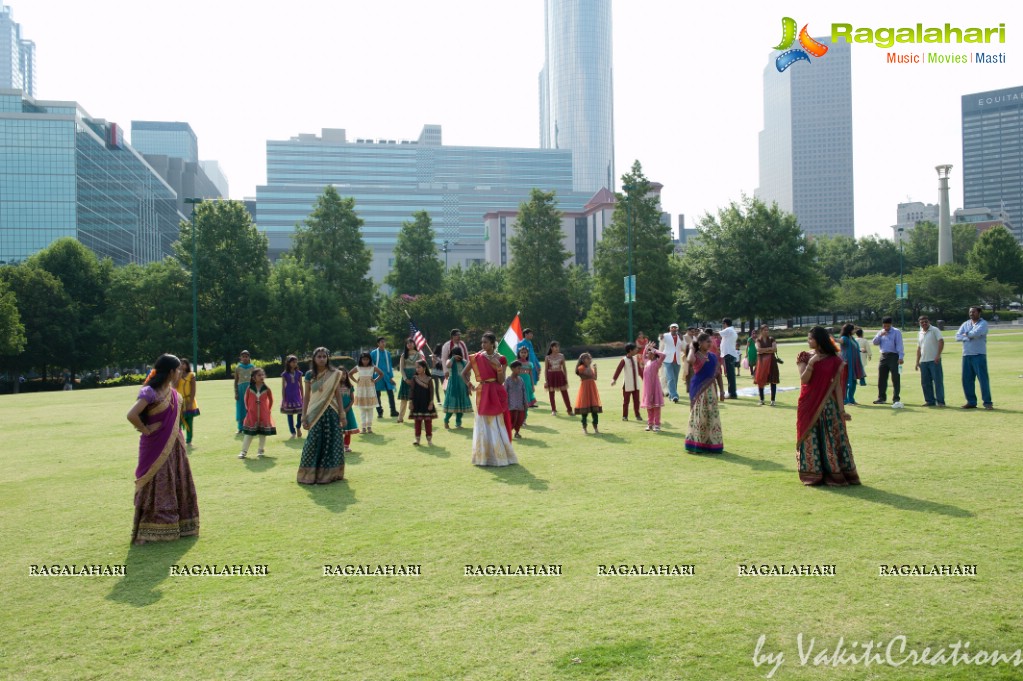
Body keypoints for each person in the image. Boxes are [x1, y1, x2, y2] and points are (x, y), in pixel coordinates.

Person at [125, 353, 200, 544]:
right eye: (178, 371)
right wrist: (145, 429)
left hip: (175, 446)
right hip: (155, 445)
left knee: (176, 480)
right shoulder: (150, 392)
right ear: (171, 372)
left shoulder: (173, 393)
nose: (180, 374)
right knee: (157, 482)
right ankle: (153, 529)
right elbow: (132, 414)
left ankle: (181, 525)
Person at [796, 327, 860, 486]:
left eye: (811, 339)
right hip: (808, 404)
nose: (808, 341)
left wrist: (842, 411)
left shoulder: (834, 360)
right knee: (810, 438)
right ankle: (813, 475)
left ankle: (834, 474)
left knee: (829, 438)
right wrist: (812, 362)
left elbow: (837, 387)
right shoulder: (804, 356)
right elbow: (804, 380)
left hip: (828, 406)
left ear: (820, 340)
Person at [463, 332, 518, 466]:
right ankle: (483, 458)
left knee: (496, 424)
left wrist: (499, 368)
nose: (483, 345)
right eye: (482, 342)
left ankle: (500, 457)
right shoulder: (478, 357)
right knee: (482, 424)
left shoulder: (501, 358)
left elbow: (501, 381)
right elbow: (463, 373)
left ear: (493, 343)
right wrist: (469, 384)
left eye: (485, 342)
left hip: (496, 391)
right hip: (482, 392)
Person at [297, 347, 346, 484]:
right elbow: (306, 396)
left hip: (332, 412)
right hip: (315, 412)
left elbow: (338, 395)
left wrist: (342, 414)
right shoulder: (308, 375)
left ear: (328, 358)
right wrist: (303, 415)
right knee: (313, 442)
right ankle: (309, 475)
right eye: (319, 356)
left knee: (333, 442)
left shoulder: (334, 374)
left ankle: (331, 474)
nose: (322, 359)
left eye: (324, 356)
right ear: (314, 358)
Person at [684, 333, 724, 454]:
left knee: (712, 416)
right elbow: (689, 360)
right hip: (699, 391)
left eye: (710, 342)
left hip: (711, 390)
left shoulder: (713, 356)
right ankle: (696, 444)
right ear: (700, 343)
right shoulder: (696, 355)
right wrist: (691, 347)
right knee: (699, 416)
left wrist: (722, 390)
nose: (710, 344)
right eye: (707, 342)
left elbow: (718, 374)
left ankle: (712, 444)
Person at [955, 306, 993, 409]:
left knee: (983, 379)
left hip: (979, 355)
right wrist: (968, 336)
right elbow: (957, 337)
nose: (971, 313)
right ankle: (971, 402)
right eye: (970, 312)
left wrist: (966, 334)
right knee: (966, 380)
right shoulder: (966, 323)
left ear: (979, 313)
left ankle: (987, 402)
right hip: (966, 355)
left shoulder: (983, 323)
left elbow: (976, 333)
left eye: (973, 312)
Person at [239, 368, 277, 459]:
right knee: (249, 434)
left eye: (262, 375)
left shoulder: (266, 388)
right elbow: (246, 400)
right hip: (252, 414)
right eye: (259, 375)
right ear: (254, 378)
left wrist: (268, 410)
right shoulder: (250, 388)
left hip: (264, 414)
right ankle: (243, 452)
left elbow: (271, 400)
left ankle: (260, 450)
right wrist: (249, 410)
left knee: (262, 433)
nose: (261, 377)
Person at [871, 317, 904, 405]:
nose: (886, 328)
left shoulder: (896, 332)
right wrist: (880, 335)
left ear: (891, 324)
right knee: (882, 378)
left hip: (894, 356)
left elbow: (899, 344)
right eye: (884, 326)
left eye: (888, 326)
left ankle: (896, 398)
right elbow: (874, 342)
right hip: (883, 356)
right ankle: (881, 398)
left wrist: (901, 357)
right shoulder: (881, 332)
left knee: (895, 378)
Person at [915, 316, 945, 407]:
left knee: (938, 381)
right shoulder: (920, 333)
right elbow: (919, 348)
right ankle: (930, 401)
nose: (924, 323)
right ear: (919, 323)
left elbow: (941, 341)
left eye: (925, 322)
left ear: (929, 321)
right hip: (924, 361)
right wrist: (917, 361)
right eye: (922, 322)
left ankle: (940, 402)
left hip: (934, 360)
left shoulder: (934, 330)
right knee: (925, 383)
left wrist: (938, 355)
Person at [352, 353, 383, 434]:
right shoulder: (358, 367)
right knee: (362, 409)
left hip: (370, 390)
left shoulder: (372, 367)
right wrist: (356, 381)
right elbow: (350, 374)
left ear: (369, 360)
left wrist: (375, 380)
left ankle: (369, 427)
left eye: (367, 359)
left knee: (370, 409)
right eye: (363, 359)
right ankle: (363, 428)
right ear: (360, 360)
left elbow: (381, 374)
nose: (365, 361)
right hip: (361, 391)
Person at [409, 360, 438, 446]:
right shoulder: (414, 378)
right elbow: (412, 390)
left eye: (419, 367)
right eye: (416, 367)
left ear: (424, 368)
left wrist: (431, 403)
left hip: (426, 403)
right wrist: (411, 402)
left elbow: (431, 392)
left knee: (428, 422)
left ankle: (429, 440)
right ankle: (417, 439)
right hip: (416, 403)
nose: (417, 369)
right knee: (417, 422)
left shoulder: (429, 379)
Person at [443, 348, 473, 429]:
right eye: (454, 354)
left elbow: (468, 374)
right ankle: (446, 420)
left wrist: (468, 386)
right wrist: (453, 358)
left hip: (462, 385)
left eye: (457, 354)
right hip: (453, 386)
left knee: (461, 405)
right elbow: (447, 365)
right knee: (452, 404)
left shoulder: (464, 362)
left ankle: (458, 423)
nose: (456, 356)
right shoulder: (450, 361)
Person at [611, 342, 642, 421]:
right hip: (627, 384)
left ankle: (637, 415)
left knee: (636, 401)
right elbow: (618, 370)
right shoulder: (624, 360)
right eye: (635, 349)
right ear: (630, 350)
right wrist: (614, 379)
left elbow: (640, 370)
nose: (636, 350)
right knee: (626, 401)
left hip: (636, 384)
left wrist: (645, 379)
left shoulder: (635, 359)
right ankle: (625, 416)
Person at [396, 337, 424, 423]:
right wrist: (405, 379)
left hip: (416, 378)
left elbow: (421, 367)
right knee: (404, 400)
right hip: (406, 379)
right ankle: (400, 418)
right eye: (408, 343)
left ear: (414, 344)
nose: (410, 345)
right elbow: (401, 368)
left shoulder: (419, 355)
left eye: (411, 343)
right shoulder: (403, 355)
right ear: (406, 345)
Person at [574, 353, 602, 434]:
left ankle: (596, 428)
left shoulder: (589, 368)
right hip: (585, 390)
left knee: (595, 411)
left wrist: (595, 369)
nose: (590, 360)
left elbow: (595, 377)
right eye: (588, 358)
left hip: (592, 389)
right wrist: (590, 366)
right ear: (583, 360)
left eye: (590, 358)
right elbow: (588, 373)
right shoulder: (581, 368)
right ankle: (584, 428)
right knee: (584, 411)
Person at [371, 337, 399, 418]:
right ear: (378, 343)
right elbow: (371, 365)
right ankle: (380, 411)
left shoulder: (388, 353)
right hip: (377, 375)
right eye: (382, 342)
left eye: (384, 342)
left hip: (386, 376)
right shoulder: (373, 353)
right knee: (377, 394)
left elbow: (389, 366)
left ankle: (393, 411)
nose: (384, 343)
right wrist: (372, 377)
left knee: (390, 393)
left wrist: (391, 377)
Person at [544, 341, 574, 416]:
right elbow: (546, 369)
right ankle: (553, 410)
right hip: (551, 376)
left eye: (558, 347)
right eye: (555, 347)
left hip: (560, 375)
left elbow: (564, 368)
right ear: (551, 348)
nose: (557, 348)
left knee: (565, 393)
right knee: (551, 394)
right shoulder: (547, 357)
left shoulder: (561, 356)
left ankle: (569, 410)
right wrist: (546, 380)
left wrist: (566, 378)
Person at [640, 346, 666, 432]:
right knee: (649, 407)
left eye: (649, 353)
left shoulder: (657, 362)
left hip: (655, 387)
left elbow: (663, 355)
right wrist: (646, 348)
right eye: (647, 353)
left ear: (654, 355)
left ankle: (657, 425)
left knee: (656, 407)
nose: (647, 354)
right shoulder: (647, 362)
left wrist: (655, 350)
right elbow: (643, 356)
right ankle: (650, 424)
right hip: (647, 388)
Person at [838, 324, 865, 405]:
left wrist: (860, 350)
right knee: (845, 382)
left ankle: (851, 399)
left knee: (853, 382)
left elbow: (853, 348)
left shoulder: (852, 338)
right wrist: (832, 338)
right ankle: (844, 400)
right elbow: (840, 341)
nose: (854, 331)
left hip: (854, 364)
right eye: (853, 330)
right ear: (849, 330)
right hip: (846, 364)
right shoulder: (844, 338)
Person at [176, 358, 200, 446]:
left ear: (187, 365)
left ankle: (189, 440)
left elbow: (193, 390)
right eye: (180, 364)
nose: (182, 365)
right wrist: (178, 375)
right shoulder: (176, 375)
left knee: (189, 421)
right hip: (179, 402)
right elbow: (174, 386)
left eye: (184, 364)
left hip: (189, 401)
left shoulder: (191, 375)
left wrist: (190, 403)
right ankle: (178, 439)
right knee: (178, 422)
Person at [280, 355, 304, 439]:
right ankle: (293, 432)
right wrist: (283, 399)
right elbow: (283, 387)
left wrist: (303, 396)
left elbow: (301, 385)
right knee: (289, 415)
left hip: (297, 396)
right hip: (288, 396)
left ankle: (298, 426)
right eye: (293, 362)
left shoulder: (299, 373)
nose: (295, 364)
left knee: (300, 412)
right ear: (289, 363)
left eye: (296, 362)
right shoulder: (285, 374)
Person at [754, 325, 780, 406]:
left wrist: (764, 350)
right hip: (761, 363)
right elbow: (758, 350)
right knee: (760, 380)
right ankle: (761, 399)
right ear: (761, 331)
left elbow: (775, 349)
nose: (766, 331)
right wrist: (769, 349)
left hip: (772, 362)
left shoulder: (771, 339)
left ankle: (773, 400)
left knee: (773, 380)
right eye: (765, 330)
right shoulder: (758, 340)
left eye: (767, 330)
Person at [661, 324, 686, 403]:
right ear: (670, 329)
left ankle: (671, 395)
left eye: (675, 328)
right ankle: (675, 395)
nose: (674, 329)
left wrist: (682, 339)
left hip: (677, 360)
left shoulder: (680, 337)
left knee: (675, 379)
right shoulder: (666, 336)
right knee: (671, 378)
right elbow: (661, 339)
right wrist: (661, 337)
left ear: (677, 329)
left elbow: (684, 347)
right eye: (672, 328)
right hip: (667, 360)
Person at [337, 368, 359, 453]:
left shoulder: (350, 386)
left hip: (348, 411)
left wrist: (348, 408)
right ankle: (338, 446)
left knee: (348, 429)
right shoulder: (335, 387)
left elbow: (352, 399)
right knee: (338, 429)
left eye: (345, 374)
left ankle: (346, 446)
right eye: (341, 374)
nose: (343, 376)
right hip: (338, 410)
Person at [505, 360, 528, 439]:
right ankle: (507, 434)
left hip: (520, 405)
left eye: (520, 369)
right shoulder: (507, 380)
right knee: (511, 420)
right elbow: (505, 393)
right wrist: (506, 404)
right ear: (512, 369)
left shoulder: (521, 380)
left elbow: (524, 391)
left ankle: (517, 432)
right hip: (511, 405)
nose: (520, 370)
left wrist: (525, 402)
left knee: (520, 420)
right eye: (518, 368)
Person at [233, 350, 255, 433]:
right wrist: (236, 393)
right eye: (243, 356)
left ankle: (250, 426)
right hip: (241, 390)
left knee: (250, 408)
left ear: (249, 357)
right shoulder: (238, 367)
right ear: (240, 358)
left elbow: (255, 380)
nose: (245, 358)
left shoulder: (252, 367)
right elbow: (236, 381)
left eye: (246, 356)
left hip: (250, 390)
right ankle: (240, 427)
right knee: (241, 408)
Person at [719, 318, 740, 399]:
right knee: (731, 375)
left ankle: (732, 393)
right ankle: (732, 392)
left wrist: (707, 332)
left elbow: (717, 334)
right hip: (730, 354)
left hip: (729, 354)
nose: (722, 326)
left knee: (730, 375)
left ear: (725, 324)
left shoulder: (728, 330)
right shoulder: (732, 331)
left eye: (723, 324)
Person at [706, 327, 726, 401]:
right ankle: (721, 392)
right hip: (714, 358)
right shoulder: (714, 340)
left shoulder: (707, 340)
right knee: (717, 375)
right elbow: (717, 349)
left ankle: (716, 394)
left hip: (708, 359)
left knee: (712, 377)